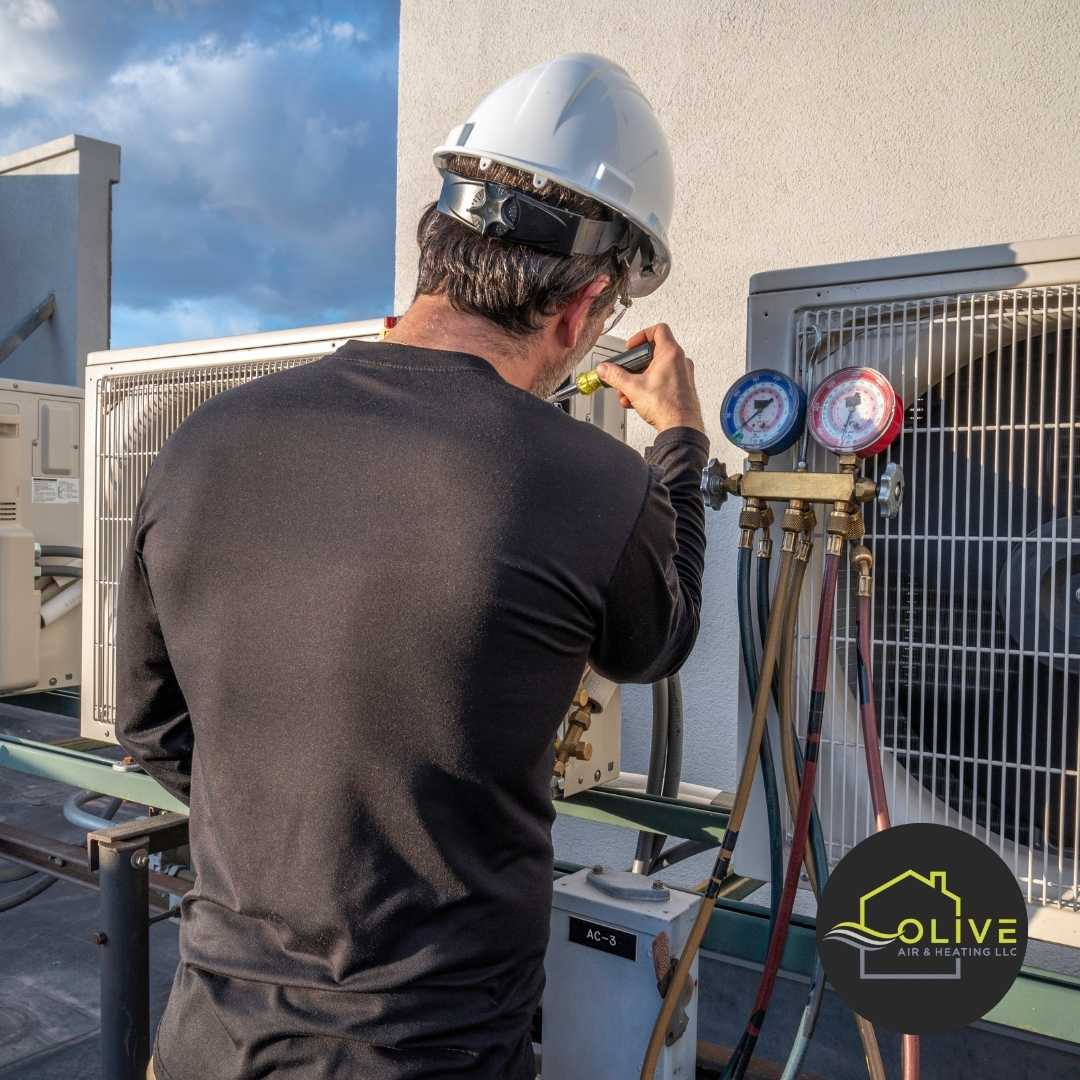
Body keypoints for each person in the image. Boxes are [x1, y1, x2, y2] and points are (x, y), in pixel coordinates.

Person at [117, 53, 708, 1080]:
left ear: (436, 245)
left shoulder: (202, 443)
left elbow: (154, 731)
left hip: (207, 1040)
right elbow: (659, 639)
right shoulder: (593, 481)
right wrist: (681, 447)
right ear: (585, 308)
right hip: (430, 1055)